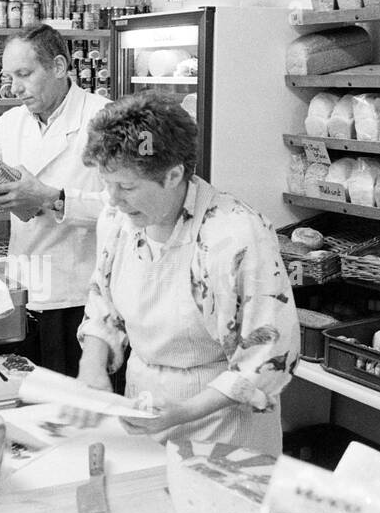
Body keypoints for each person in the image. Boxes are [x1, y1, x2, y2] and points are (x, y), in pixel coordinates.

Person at [76, 92, 301, 455]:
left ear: (173, 175)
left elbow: (270, 355)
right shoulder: (118, 220)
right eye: (107, 184)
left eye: (127, 187)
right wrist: (93, 366)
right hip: (144, 411)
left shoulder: (237, 234)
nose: (113, 198)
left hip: (222, 424)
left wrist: (183, 412)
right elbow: (103, 303)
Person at [0, 24, 109, 375]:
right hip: (24, 289)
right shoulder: (12, 121)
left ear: (59, 67)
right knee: (28, 396)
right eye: (9, 76)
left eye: (24, 74)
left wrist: (52, 198)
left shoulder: (103, 118)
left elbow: (126, 209)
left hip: (81, 295)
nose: (14, 88)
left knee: (71, 405)